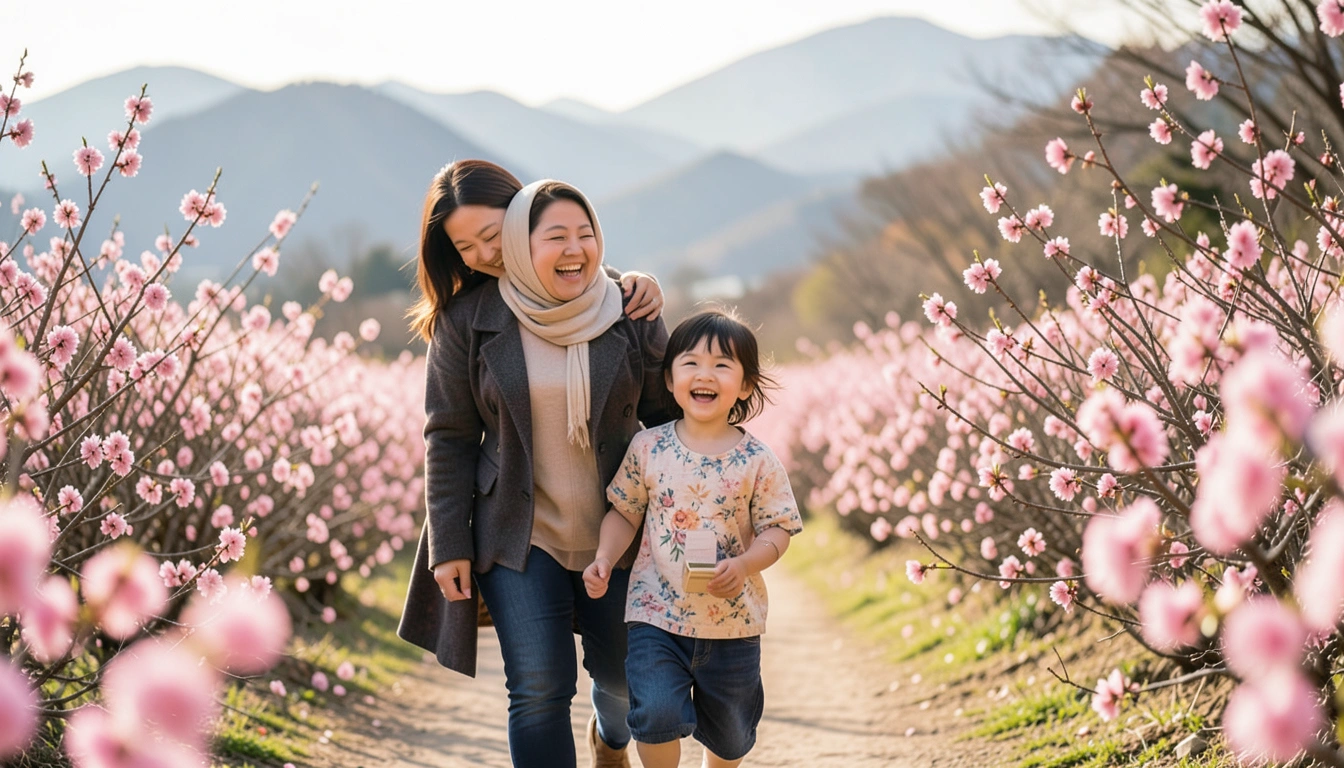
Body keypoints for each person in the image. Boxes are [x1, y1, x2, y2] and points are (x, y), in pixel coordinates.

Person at [398, 171, 674, 768]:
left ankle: (610, 736)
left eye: (492, 236)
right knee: (538, 688)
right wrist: (449, 544)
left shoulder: (624, 305)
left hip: (617, 530)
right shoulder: (464, 320)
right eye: (465, 248)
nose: (484, 256)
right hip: (518, 534)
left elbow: (669, 418)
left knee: (625, 680)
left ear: (523, 216)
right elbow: (447, 437)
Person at [583, 309, 803, 768]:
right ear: (668, 379)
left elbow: (778, 530)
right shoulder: (648, 448)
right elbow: (623, 511)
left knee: (730, 735)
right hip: (656, 613)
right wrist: (604, 557)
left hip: (733, 622)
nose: (706, 374)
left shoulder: (757, 460)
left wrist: (744, 565)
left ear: (745, 385)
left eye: (723, 365)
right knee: (655, 713)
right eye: (691, 362)